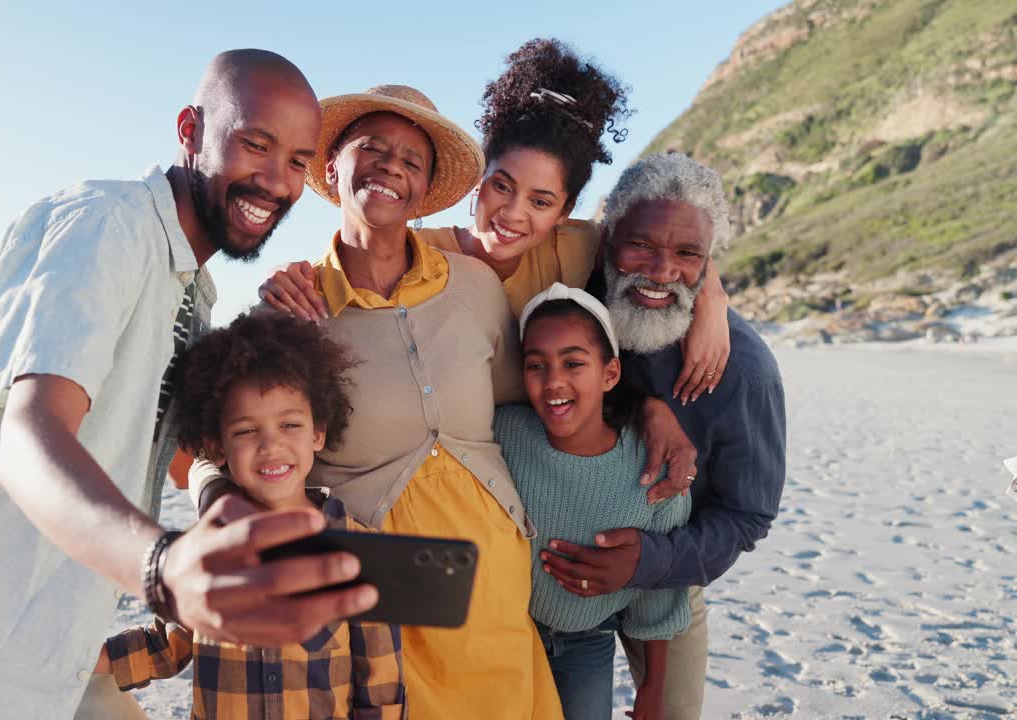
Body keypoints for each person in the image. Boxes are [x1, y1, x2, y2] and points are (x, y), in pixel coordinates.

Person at [0, 50, 378, 720]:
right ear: (189, 130)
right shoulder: (103, 226)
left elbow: (184, 457)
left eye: (296, 160)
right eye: (254, 144)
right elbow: (30, 438)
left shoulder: (191, 294)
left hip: (18, 643)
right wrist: (166, 569)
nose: (276, 179)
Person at [194, 83, 564, 719]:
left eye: (412, 160)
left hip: (499, 588)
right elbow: (211, 444)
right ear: (332, 165)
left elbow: (528, 403)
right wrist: (218, 499)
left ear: (423, 192)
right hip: (380, 602)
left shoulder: (476, 287)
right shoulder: (289, 313)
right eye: (372, 148)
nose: (392, 165)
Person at [260, 38, 732, 408]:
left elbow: (660, 253)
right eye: (502, 186)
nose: (512, 214)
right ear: (478, 180)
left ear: (564, 213)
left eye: (541, 201)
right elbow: (361, 253)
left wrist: (712, 299)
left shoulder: (575, 246)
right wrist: (290, 277)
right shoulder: (428, 257)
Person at [541, 152, 787, 720]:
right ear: (607, 237)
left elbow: (749, 514)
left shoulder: (743, 371)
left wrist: (648, 560)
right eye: (641, 246)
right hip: (551, 576)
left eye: (686, 255)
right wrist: (645, 405)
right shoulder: (568, 296)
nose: (659, 270)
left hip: (667, 583)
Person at [94, 312, 407, 719]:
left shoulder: (360, 554)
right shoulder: (206, 550)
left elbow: (381, 690)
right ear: (217, 445)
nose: (270, 445)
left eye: (290, 424)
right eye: (246, 431)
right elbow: (168, 643)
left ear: (318, 432)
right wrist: (83, 664)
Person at [497, 283, 691, 720]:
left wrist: (653, 688)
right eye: (536, 366)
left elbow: (656, 595)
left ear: (610, 374)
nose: (554, 382)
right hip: (506, 633)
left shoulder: (655, 474)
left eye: (573, 363)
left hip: (586, 642)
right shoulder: (502, 434)